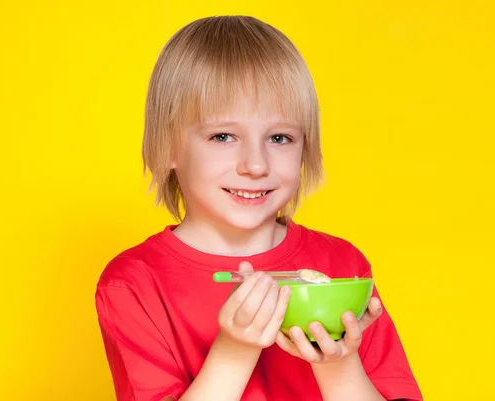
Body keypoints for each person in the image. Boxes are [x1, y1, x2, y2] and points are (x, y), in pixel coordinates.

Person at [95, 15, 423, 401]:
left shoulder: (343, 268)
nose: (256, 165)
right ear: (169, 147)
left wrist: (337, 362)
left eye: (280, 137)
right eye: (223, 136)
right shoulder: (133, 284)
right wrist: (234, 352)